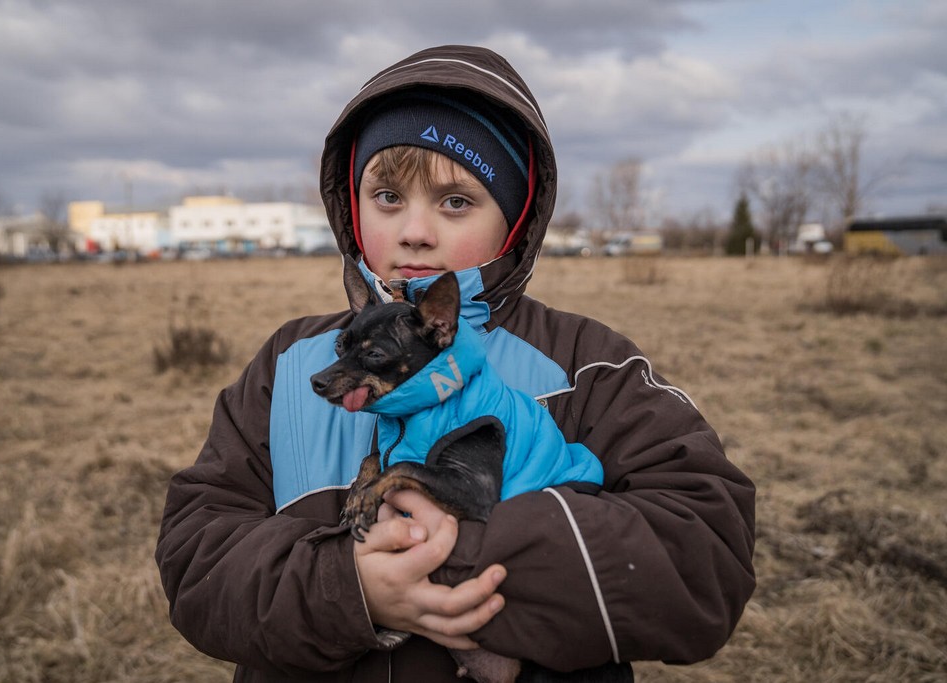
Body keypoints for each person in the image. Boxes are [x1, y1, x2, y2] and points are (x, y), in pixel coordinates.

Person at [155, 44, 755, 682]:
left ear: (516, 221)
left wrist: (455, 555)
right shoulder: (289, 363)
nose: (415, 231)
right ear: (351, 209)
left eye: (456, 202)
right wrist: (345, 586)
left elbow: (705, 556)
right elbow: (197, 557)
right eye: (387, 196)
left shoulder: (588, 366)